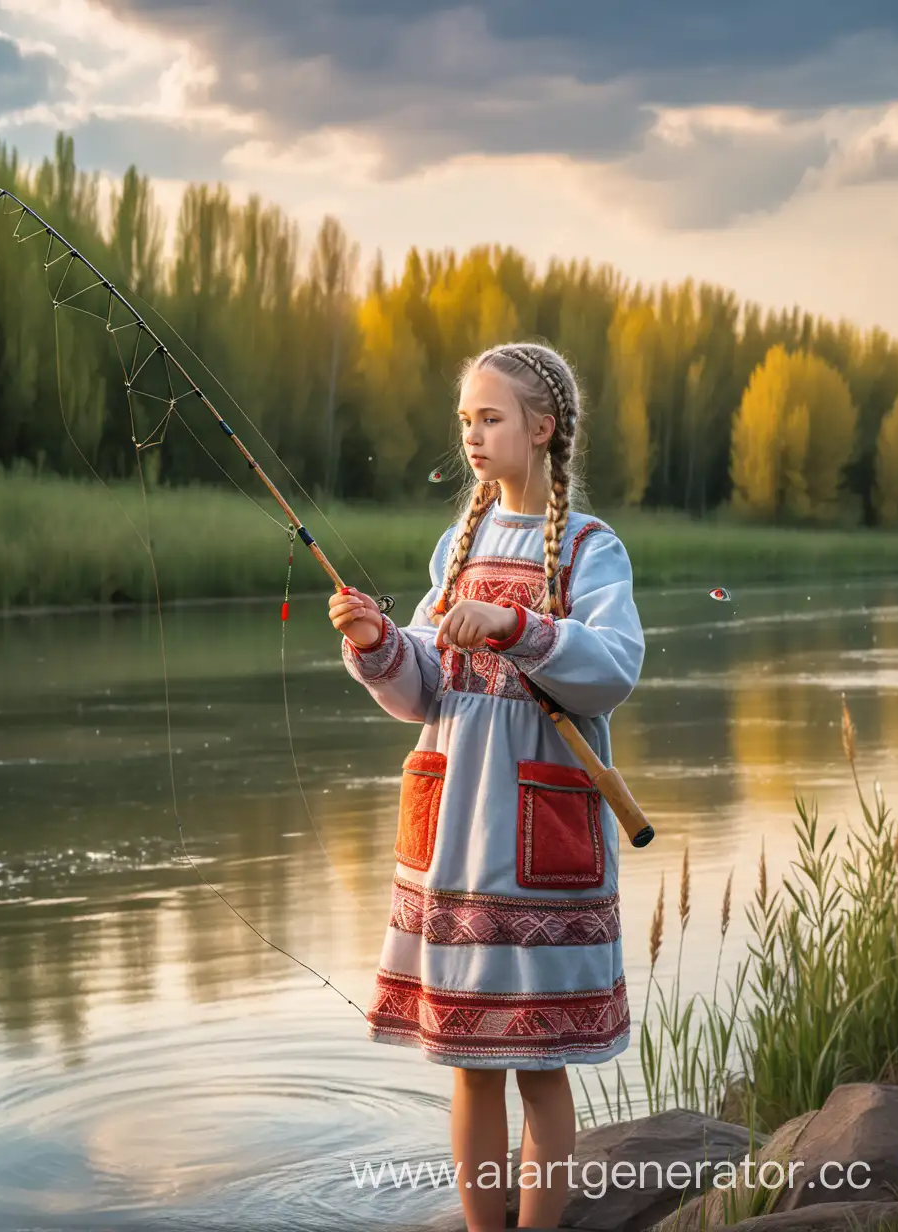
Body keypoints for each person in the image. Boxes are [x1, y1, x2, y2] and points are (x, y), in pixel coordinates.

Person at [328, 341, 645, 1232]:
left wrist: (516, 625)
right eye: (465, 419)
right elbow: (421, 689)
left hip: (537, 846)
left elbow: (614, 668)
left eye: (491, 418)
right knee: (469, 1062)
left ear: (542, 430)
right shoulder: (456, 544)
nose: (472, 433)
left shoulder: (590, 549)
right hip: (457, 841)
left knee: (537, 1062)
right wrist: (374, 644)